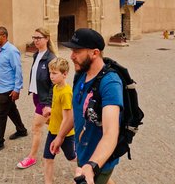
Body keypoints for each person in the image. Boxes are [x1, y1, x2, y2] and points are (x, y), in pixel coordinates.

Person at [51, 28, 123, 184]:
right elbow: (75, 112)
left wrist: (91, 166)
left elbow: (111, 133)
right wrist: (60, 136)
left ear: (95, 53)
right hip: (83, 152)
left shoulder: (110, 83)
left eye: (77, 51)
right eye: (72, 50)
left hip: (100, 161)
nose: (71, 56)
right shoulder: (80, 75)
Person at [17, 27, 57, 169]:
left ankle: (32, 157)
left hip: (45, 99)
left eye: (38, 38)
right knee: (54, 124)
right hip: (36, 95)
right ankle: (70, 138)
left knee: (36, 127)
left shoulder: (51, 58)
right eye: (34, 38)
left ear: (46, 38)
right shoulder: (36, 55)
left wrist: (48, 103)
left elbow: (54, 84)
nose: (35, 41)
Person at [43, 57, 76, 184]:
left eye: (55, 73)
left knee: (72, 157)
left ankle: (86, 169)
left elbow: (67, 118)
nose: (51, 76)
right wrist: (51, 112)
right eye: (50, 73)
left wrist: (59, 137)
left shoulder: (66, 93)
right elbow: (59, 109)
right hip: (53, 130)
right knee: (48, 158)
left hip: (65, 134)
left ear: (65, 74)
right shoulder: (56, 87)